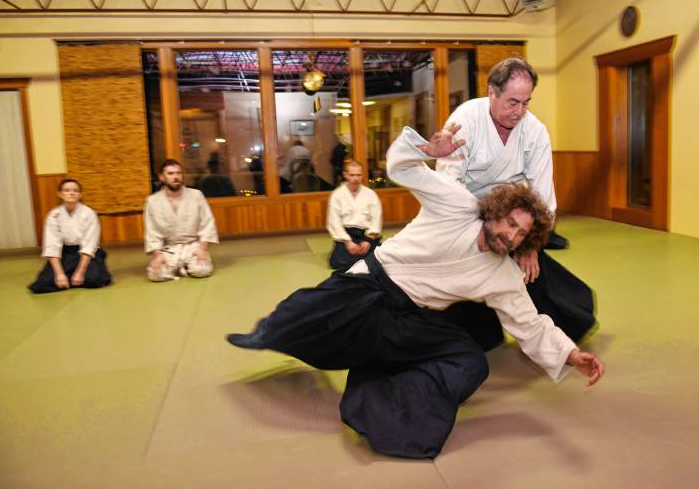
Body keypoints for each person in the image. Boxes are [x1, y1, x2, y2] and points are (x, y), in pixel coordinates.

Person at [227, 125, 605, 459]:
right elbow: (402, 169)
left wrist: (571, 354)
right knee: (302, 313)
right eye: (509, 223)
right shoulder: (457, 203)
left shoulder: (503, 275)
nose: (510, 235)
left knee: (469, 362)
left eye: (521, 233)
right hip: (367, 284)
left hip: (409, 316)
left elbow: (530, 324)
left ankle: (380, 401)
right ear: (494, 211)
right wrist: (425, 151)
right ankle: (266, 331)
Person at [437, 56, 595, 345]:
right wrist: (479, 233)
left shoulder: (535, 131)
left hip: (512, 212)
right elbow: (448, 185)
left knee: (530, 270)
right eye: (512, 102)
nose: (519, 111)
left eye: (526, 102)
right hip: (465, 212)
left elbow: (543, 197)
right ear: (491, 93)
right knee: (469, 271)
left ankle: (563, 326)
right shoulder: (464, 120)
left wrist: (530, 244)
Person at [28, 178, 111, 293]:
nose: (71, 193)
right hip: (64, 253)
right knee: (42, 284)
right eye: (67, 190)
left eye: (75, 191)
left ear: (80, 194)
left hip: (85, 254)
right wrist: (59, 274)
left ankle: (74, 277)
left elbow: (90, 245)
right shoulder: (54, 215)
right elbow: (52, 246)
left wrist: (80, 272)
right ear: (60, 194)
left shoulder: (89, 214)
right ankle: (67, 278)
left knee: (95, 279)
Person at [145, 159, 219, 282]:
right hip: (169, 248)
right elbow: (151, 231)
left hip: (193, 245)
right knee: (156, 275)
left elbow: (208, 223)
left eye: (178, 173)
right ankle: (179, 266)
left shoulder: (196, 195)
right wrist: (157, 255)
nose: (176, 177)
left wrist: (202, 249)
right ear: (162, 177)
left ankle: (186, 265)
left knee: (202, 270)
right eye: (171, 174)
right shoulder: (153, 201)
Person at [327, 159, 382, 271]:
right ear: (345, 175)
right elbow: (334, 222)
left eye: (359, 175)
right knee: (336, 262)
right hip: (347, 235)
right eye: (352, 175)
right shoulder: (337, 195)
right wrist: (348, 242)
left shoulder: (370, 194)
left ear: (362, 175)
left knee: (379, 260)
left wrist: (368, 240)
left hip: (367, 235)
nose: (356, 178)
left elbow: (377, 219)